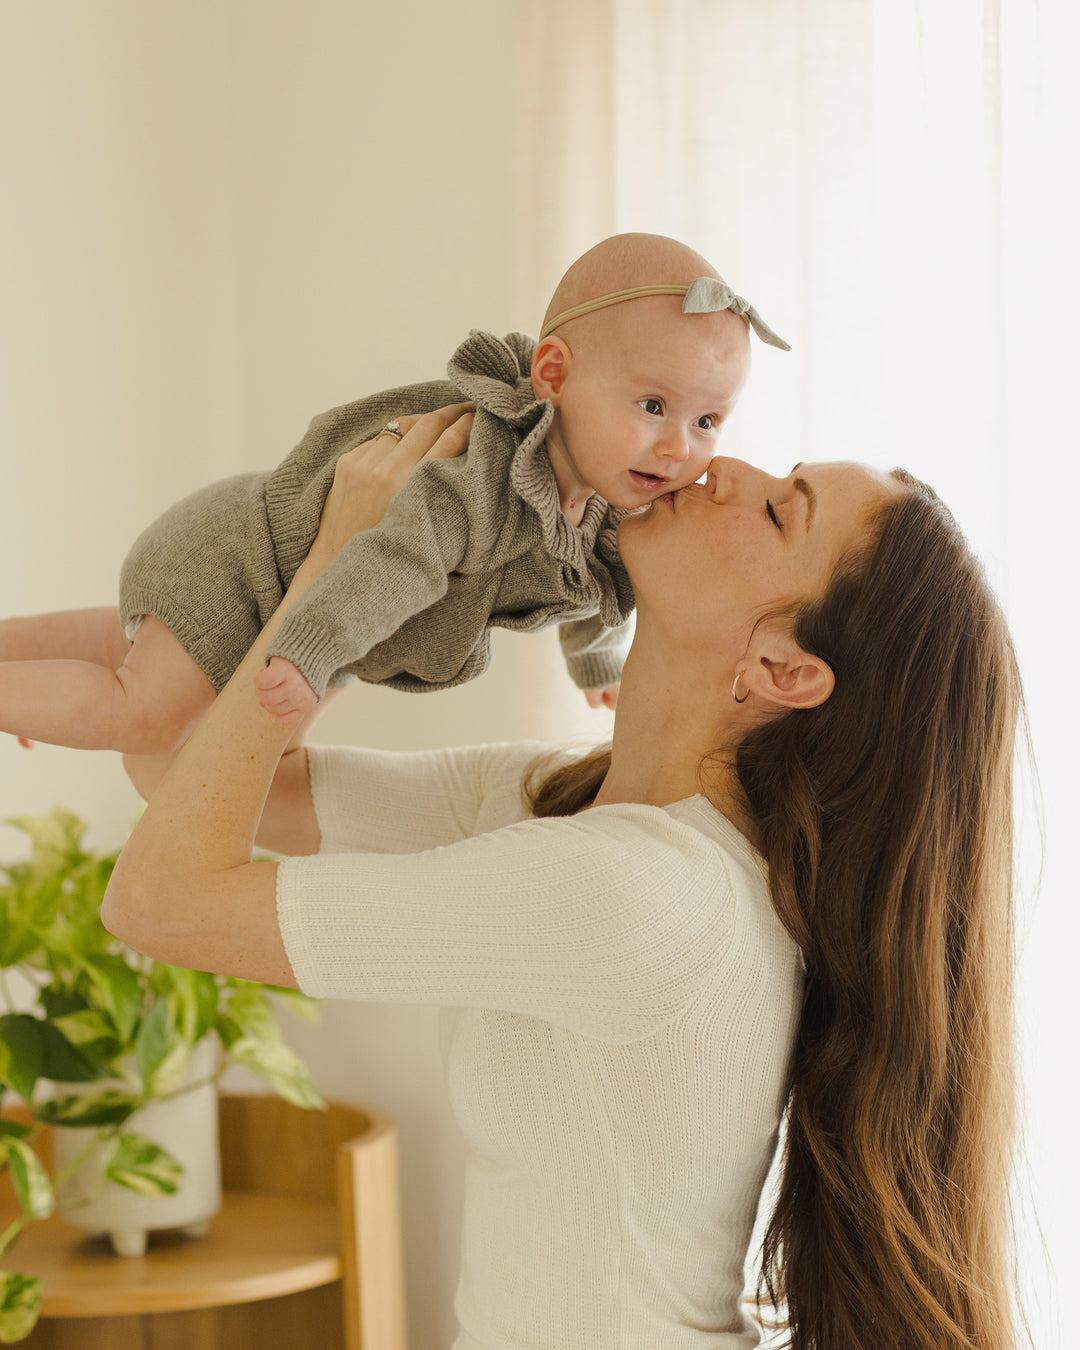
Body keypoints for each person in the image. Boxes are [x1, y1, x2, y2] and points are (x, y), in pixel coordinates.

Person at [104, 412, 1022, 1350]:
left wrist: (337, 579)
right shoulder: (559, 801)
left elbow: (157, 904)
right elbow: (182, 768)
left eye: (782, 511)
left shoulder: (639, 897)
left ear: (782, 669)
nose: (724, 467)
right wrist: (383, 574)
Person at [0, 232, 788, 754]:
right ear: (553, 376)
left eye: (708, 419)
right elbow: (399, 561)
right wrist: (313, 656)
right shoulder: (482, 474)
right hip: (241, 561)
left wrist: (594, 664)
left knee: (130, 646)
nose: (678, 445)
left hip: (261, 582)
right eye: (653, 406)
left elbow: (589, 586)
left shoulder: (610, 501)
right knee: (148, 712)